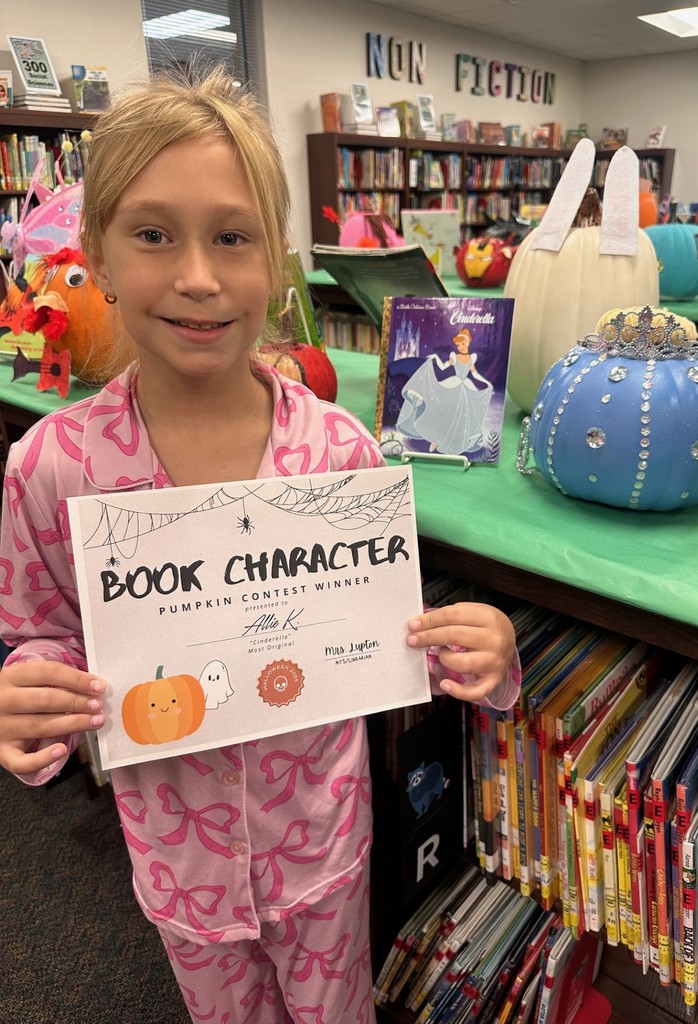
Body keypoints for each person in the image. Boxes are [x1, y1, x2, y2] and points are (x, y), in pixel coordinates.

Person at [0, 66, 520, 1024]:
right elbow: (39, 635)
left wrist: (481, 650)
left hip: (324, 848)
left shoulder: (340, 451)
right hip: (179, 862)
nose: (198, 276)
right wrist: (28, 705)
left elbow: (391, 631)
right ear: (97, 256)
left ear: (276, 263)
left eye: (232, 238)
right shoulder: (52, 466)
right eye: (153, 234)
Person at [396, 326, 493, 455]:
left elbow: (475, 375)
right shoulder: (455, 357)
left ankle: (458, 441)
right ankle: (436, 439)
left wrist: (487, 383)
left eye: (462, 344)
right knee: (443, 409)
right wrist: (435, 358)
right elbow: (442, 367)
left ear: (468, 343)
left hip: (465, 387)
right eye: (458, 345)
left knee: (464, 414)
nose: (460, 347)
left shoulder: (471, 359)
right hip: (454, 383)